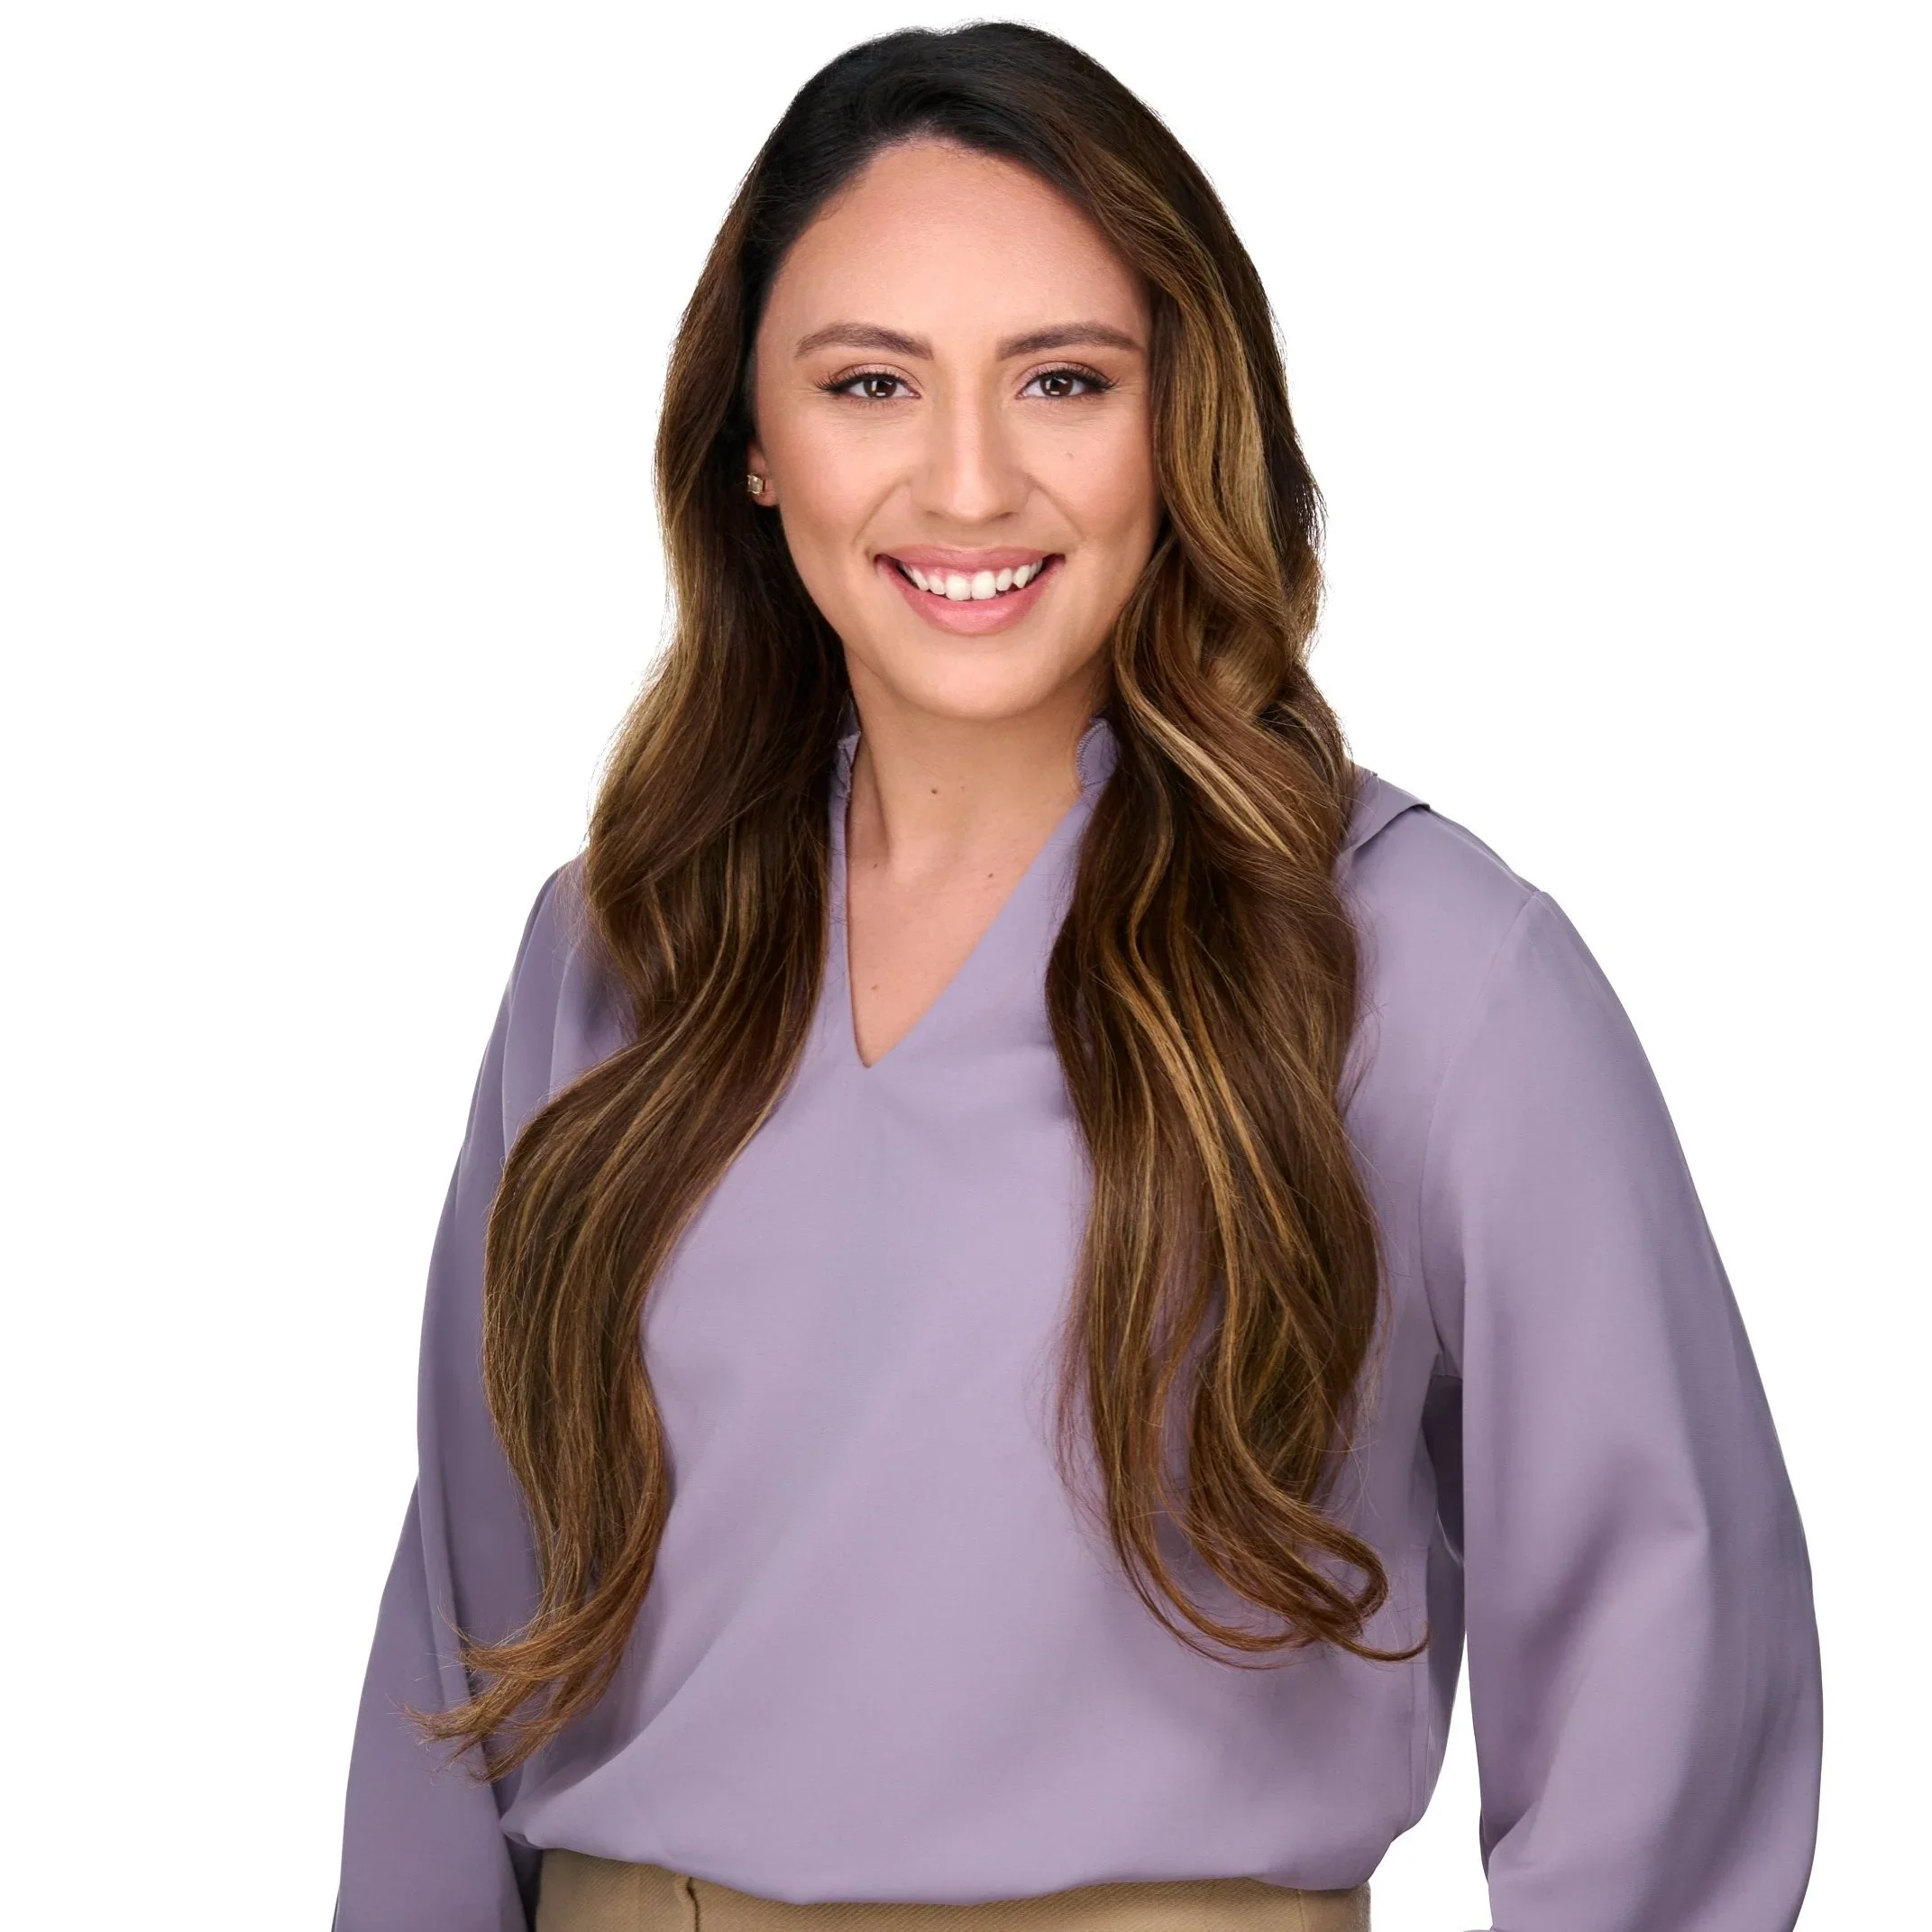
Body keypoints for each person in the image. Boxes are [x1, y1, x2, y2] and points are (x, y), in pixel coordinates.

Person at [332, 22, 1822, 1932]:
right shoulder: (619, 949)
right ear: (754, 448)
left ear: (1177, 422)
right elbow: (461, 1639)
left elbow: (1664, 1669)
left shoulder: (1425, 969)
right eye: (870, 382)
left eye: (1062, 380)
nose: (968, 483)